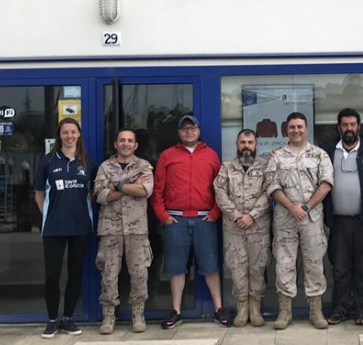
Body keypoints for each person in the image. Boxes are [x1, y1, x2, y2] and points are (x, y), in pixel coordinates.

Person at [151, 115, 231, 328]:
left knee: (211, 266)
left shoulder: (211, 155)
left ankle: (218, 309)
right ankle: (176, 311)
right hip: (175, 220)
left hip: (205, 218)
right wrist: (162, 215)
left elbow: (220, 188)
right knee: (177, 268)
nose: (189, 132)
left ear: (199, 130)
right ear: (179, 132)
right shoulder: (168, 156)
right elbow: (157, 189)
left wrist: (215, 212)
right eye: (184, 128)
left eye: (192, 128)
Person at [263, 112, 334, 330]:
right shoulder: (276, 156)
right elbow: (272, 186)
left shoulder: (319, 155)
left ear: (306, 129)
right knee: (284, 263)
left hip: (311, 218)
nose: (296, 130)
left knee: (314, 263)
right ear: (286, 130)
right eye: (292, 127)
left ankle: (316, 311)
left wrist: (306, 206)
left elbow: (326, 183)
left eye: (300, 127)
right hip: (285, 218)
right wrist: (292, 207)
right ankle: (285, 312)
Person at [33, 117, 94, 339]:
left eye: (73, 132)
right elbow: (39, 194)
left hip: (80, 227)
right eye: (65, 132)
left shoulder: (88, 162)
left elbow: (92, 193)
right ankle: (51, 319)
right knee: (52, 275)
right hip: (53, 228)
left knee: (75, 273)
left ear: (79, 135)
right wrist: (50, 214)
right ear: (60, 135)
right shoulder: (48, 161)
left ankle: (67, 318)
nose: (70, 136)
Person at [320, 108, 363, 326]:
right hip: (338, 221)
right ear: (339, 127)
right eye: (345, 125)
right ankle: (340, 308)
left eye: (352, 124)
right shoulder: (326, 151)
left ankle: (362, 309)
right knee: (340, 267)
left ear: (359, 126)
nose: (349, 128)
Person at [93, 128, 154, 334]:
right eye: (122, 140)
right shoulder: (104, 166)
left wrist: (116, 185)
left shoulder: (144, 166)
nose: (126, 144)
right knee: (109, 274)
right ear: (116, 144)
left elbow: (145, 191)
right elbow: (100, 195)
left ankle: (138, 314)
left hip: (137, 229)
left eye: (130, 141)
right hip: (110, 230)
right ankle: (108, 317)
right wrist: (129, 185)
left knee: (139, 273)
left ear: (135, 145)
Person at [213, 129, 271, 327]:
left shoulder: (265, 166)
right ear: (237, 144)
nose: (246, 146)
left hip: (258, 228)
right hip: (234, 228)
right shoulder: (227, 167)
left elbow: (269, 193)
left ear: (256, 145)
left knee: (257, 268)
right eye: (243, 142)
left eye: (250, 142)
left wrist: (251, 216)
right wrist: (238, 216)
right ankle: (242, 307)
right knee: (236, 268)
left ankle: (255, 308)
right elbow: (220, 193)